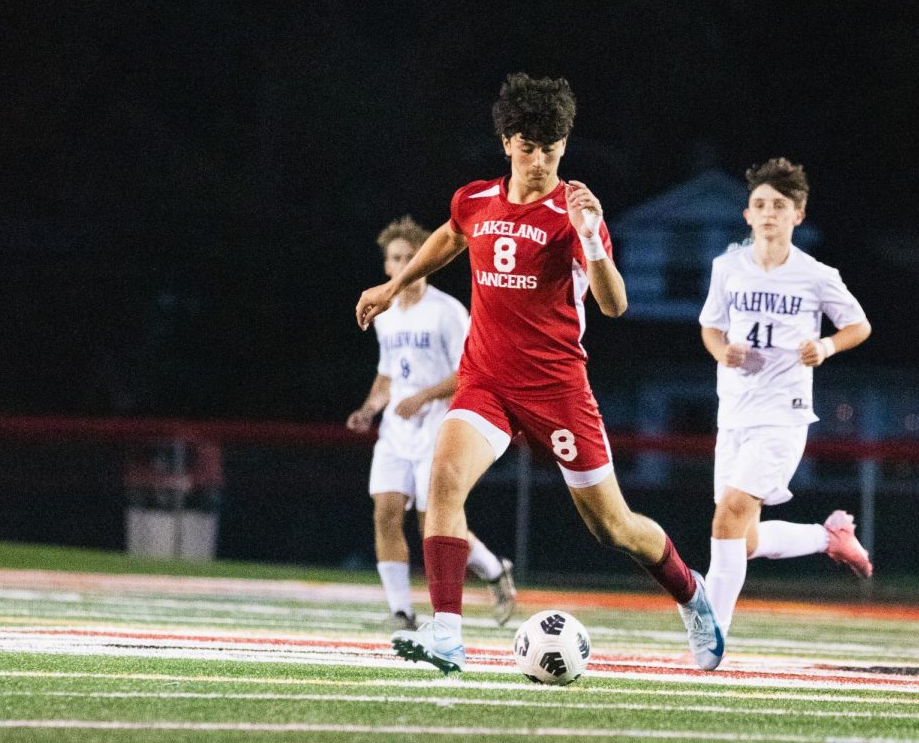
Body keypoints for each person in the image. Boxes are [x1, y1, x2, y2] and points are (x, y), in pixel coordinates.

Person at [357, 73, 725, 674]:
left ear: (563, 148)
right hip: (486, 382)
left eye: (551, 150)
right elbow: (451, 235)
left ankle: (691, 591)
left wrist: (594, 243)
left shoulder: (573, 212)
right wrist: (394, 284)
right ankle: (447, 632)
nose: (539, 161)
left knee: (615, 528)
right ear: (507, 143)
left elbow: (614, 305)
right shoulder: (475, 199)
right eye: (528, 148)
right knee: (443, 478)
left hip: (557, 392)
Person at [699, 157, 874, 638]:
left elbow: (859, 325)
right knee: (743, 536)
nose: (769, 213)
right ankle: (828, 537)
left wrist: (826, 345)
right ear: (747, 215)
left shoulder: (816, 275)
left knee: (728, 514)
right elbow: (710, 328)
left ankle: (711, 634)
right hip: (733, 412)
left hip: (783, 415)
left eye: (779, 205)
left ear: (798, 214)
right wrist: (723, 352)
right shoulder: (726, 266)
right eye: (760, 204)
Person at [349, 216, 516, 631]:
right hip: (395, 433)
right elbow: (388, 375)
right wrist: (370, 407)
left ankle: (494, 568)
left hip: (438, 429)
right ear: (387, 266)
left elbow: (471, 370)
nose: (403, 264)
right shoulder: (385, 315)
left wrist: (423, 396)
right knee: (385, 513)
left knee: (433, 524)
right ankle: (402, 612)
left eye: (411, 257)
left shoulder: (446, 312)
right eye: (396, 258)